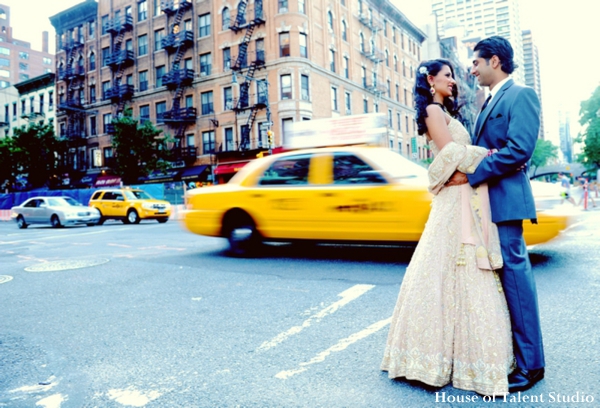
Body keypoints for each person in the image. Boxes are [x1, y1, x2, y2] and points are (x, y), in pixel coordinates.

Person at [381, 59, 514, 396]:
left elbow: (456, 157)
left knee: (467, 270)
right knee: (443, 270)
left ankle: (466, 358)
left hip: (463, 198)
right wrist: (487, 154)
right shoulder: (430, 110)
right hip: (451, 203)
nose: (453, 81)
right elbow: (450, 151)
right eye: (448, 76)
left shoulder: (447, 113)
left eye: (454, 76)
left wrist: (469, 167)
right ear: (430, 79)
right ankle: (428, 358)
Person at [446, 36, 545, 392]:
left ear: (495, 62)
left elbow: (518, 150)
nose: (471, 69)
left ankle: (532, 366)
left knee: (517, 285)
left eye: (475, 63)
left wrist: (472, 174)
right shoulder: (488, 101)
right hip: (486, 203)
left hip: (505, 202)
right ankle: (515, 357)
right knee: (502, 284)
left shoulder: (521, 95)